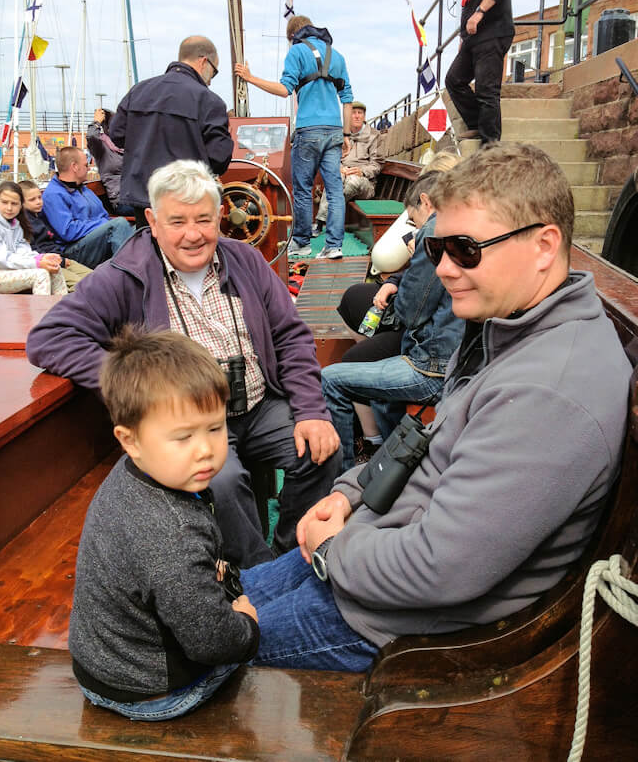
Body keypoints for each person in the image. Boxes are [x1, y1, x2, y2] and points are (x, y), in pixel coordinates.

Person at [233, 141, 632, 672]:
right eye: (436, 248)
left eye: (465, 249)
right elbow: (424, 440)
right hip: (373, 555)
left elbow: (441, 568)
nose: (443, 268)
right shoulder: (508, 328)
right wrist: (351, 494)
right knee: (209, 604)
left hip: (392, 621)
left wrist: (334, 550)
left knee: (187, 651)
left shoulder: (549, 392)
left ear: (544, 245)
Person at [26, 159, 342, 569]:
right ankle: (256, 572)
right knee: (221, 481)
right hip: (190, 423)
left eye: (203, 220)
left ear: (221, 216)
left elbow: (290, 335)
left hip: (260, 405)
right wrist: (136, 378)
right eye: (177, 222)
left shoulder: (244, 260)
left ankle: (289, 555)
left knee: (322, 450)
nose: (193, 235)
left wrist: (311, 412)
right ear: (153, 222)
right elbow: (49, 339)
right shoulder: (124, 274)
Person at [70, 327, 259, 721]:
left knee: (283, 580)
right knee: (287, 621)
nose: (205, 449)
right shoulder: (170, 531)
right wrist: (248, 628)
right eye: (183, 437)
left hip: (108, 661)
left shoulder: (136, 472)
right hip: (153, 690)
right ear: (130, 439)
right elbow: (212, 642)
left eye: (215, 428)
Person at [321, 155, 463, 470]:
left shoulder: (433, 233)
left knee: (331, 378)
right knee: (381, 395)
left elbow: (411, 313)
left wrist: (415, 260)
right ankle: (390, 463)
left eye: (413, 219)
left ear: (426, 202)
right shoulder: (463, 225)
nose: (414, 226)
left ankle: (344, 475)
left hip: (431, 368)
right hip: (449, 358)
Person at [235, 15, 353, 260]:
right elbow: (347, 98)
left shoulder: (297, 51)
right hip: (334, 130)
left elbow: (284, 89)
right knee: (335, 191)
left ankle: (301, 243)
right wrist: (347, 134)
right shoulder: (337, 56)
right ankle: (334, 246)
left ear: (292, 36)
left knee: (302, 190)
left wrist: (250, 78)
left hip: (309, 130)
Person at [110, 35, 234, 226]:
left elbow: (117, 135)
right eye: (214, 72)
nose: (210, 81)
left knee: (147, 242)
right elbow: (219, 160)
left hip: (143, 196)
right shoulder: (209, 101)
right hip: (187, 198)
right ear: (203, 62)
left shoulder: (138, 91)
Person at [444, 0, 514, 144]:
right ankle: (476, 124)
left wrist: (479, 13)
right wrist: (464, 36)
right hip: (474, 38)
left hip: (492, 33)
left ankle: (490, 145)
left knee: (486, 90)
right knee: (454, 80)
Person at [42, 147, 134, 269]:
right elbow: (68, 231)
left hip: (93, 242)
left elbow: (104, 216)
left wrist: (105, 223)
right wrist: (103, 223)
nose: (89, 168)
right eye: (86, 165)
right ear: (74, 167)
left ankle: (138, 270)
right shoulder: (53, 195)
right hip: (72, 251)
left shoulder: (83, 189)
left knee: (138, 229)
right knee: (119, 225)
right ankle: (129, 274)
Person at [313, 100, 381, 237]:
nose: (357, 116)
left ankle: (328, 220)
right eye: (353, 113)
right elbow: (331, 158)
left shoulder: (374, 136)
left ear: (364, 116)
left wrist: (362, 171)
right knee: (335, 179)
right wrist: (339, 168)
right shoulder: (340, 136)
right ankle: (320, 223)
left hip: (365, 183)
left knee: (352, 181)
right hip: (343, 174)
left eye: (360, 113)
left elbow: (377, 164)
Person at [20, 180, 92, 292]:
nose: (38, 202)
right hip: (49, 264)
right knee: (81, 286)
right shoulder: (25, 223)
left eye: (39, 197)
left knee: (95, 278)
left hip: (60, 258)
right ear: (21, 203)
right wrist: (60, 261)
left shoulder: (39, 216)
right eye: (32, 200)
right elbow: (33, 250)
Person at [0, 180, 67, 296]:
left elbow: (23, 251)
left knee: (54, 268)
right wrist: (36, 263)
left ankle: (61, 305)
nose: (9, 208)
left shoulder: (16, 225)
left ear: (21, 205)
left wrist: (41, 257)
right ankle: (41, 308)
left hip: (9, 269)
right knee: (40, 275)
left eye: (14, 204)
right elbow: (3, 259)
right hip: (1, 270)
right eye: (4, 202)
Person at [86, 108, 132, 215]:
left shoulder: (128, 146)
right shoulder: (101, 148)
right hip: (121, 201)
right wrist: (96, 122)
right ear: (108, 128)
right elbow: (92, 136)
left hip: (137, 196)